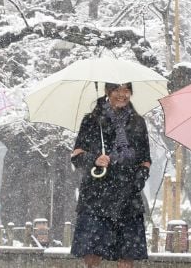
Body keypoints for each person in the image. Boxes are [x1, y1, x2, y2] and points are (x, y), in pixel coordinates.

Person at [70, 82, 152, 268]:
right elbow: (76, 156)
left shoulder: (138, 122)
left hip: (128, 195)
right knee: (92, 251)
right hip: (96, 195)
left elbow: (145, 159)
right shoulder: (92, 120)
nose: (122, 95)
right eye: (117, 90)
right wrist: (95, 159)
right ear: (108, 91)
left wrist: (140, 178)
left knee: (126, 253)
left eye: (126, 90)